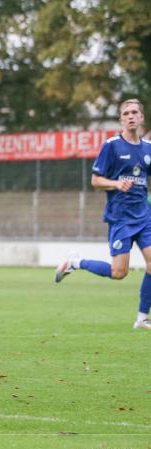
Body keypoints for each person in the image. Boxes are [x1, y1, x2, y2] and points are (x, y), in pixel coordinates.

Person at [55, 99, 151, 330]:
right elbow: (95, 180)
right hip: (120, 218)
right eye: (126, 113)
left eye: (134, 112)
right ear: (120, 119)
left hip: (144, 216)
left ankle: (142, 317)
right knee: (119, 272)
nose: (130, 116)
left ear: (141, 117)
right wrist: (116, 184)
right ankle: (76, 263)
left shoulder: (148, 148)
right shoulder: (111, 146)